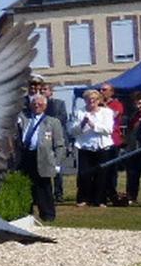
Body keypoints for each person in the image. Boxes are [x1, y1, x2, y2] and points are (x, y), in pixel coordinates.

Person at [17, 92, 68, 223]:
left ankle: (48, 215)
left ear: (45, 106)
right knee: (25, 186)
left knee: (43, 188)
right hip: (26, 156)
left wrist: (57, 163)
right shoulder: (24, 119)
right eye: (34, 104)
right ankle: (25, 213)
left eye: (40, 104)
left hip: (43, 158)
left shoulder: (52, 122)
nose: (36, 106)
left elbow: (60, 145)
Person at [71, 90, 116, 208]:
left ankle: (100, 200)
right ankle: (83, 198)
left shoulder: (107, 112)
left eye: (94, 99)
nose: (91, 101)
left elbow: (108, 129)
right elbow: (72, 131)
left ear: (99, 100)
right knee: (84, 174)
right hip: (85, 147)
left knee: (102, 174)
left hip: (102, 147)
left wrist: (93, 125)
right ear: (85, 100)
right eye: (88, 99)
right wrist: (82, 124)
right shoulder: (79, 112)